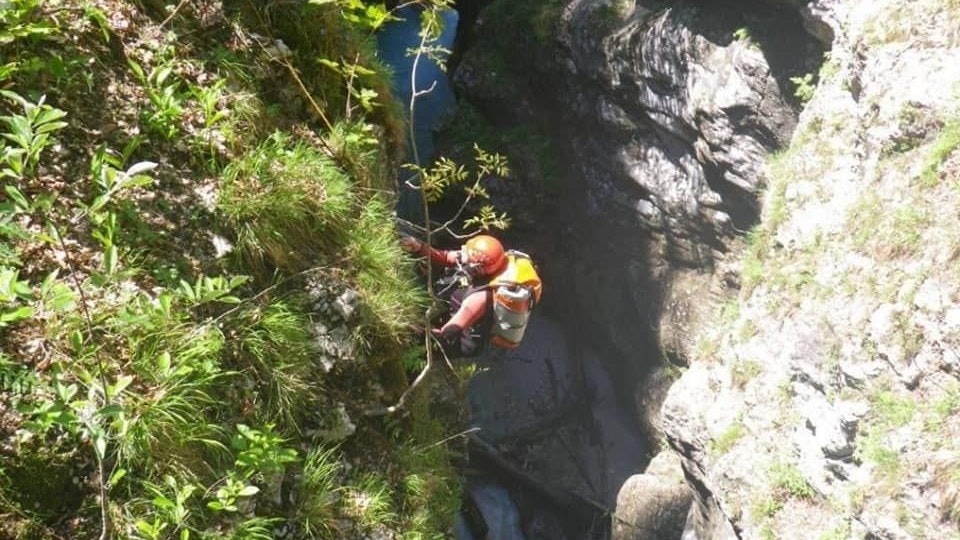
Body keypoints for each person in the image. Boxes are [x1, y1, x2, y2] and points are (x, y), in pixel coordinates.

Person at [399, 234, 508, 358]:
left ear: (475, 265)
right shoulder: (478, 264)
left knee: (415, 346)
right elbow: (445, 257)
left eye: (465, 253)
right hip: (453, 310)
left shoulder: (480, 298)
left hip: (461, 340)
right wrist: (419, 247)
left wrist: (418, 330)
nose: (462, 252)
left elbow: (449, 331)